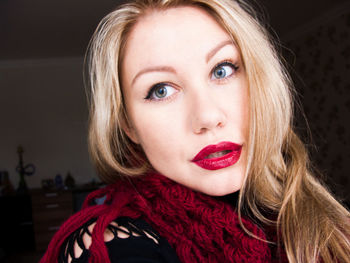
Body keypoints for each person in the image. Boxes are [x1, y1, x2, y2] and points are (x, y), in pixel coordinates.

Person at [40, 0, 350, 262]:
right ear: (128, 125)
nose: (207, 116)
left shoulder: (316, 216)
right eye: (161, 90)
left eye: (222, 70)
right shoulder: (112, 246)